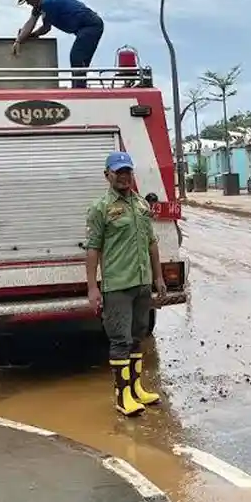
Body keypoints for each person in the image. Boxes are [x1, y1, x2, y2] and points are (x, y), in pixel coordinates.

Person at [84, 152, 168, 417]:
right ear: (107, 174)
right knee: (120, 339)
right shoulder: (101, 208)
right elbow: (93, 249)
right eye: (118, 172)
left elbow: (152, 244)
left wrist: (158, 277)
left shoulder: (141, 205)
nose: (123, 176)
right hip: (118, 285)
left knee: (138, 336)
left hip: (142, 283)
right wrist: (92, 287)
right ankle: (123, 397)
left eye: (127, 172)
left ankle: (136, 389)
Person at [13, 0, 105, 89]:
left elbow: (43, 27)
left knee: (77, 57)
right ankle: (79, 88)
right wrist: (22, 39)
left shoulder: (48, 2)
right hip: (82, 28)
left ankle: (80, 91)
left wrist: (26, 37)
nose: (27, 2)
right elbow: (35, 23)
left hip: (91, 26)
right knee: (77, 59)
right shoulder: (42, 1)